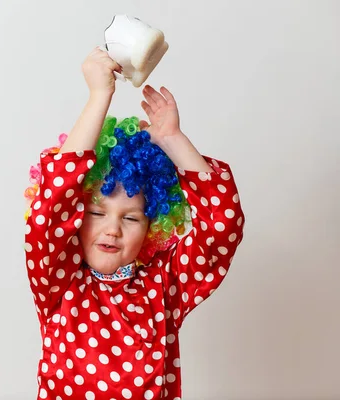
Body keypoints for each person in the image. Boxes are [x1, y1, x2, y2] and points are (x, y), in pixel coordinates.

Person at [23, 47, 245, 400]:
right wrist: (99, 96)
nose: (112, 229)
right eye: (97, 213)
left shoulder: (164, 285)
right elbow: (50, 207)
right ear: (75, 217)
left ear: (152, 227)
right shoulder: (59, 283)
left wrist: (173, 141)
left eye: (130, 217)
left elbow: (223, 227)